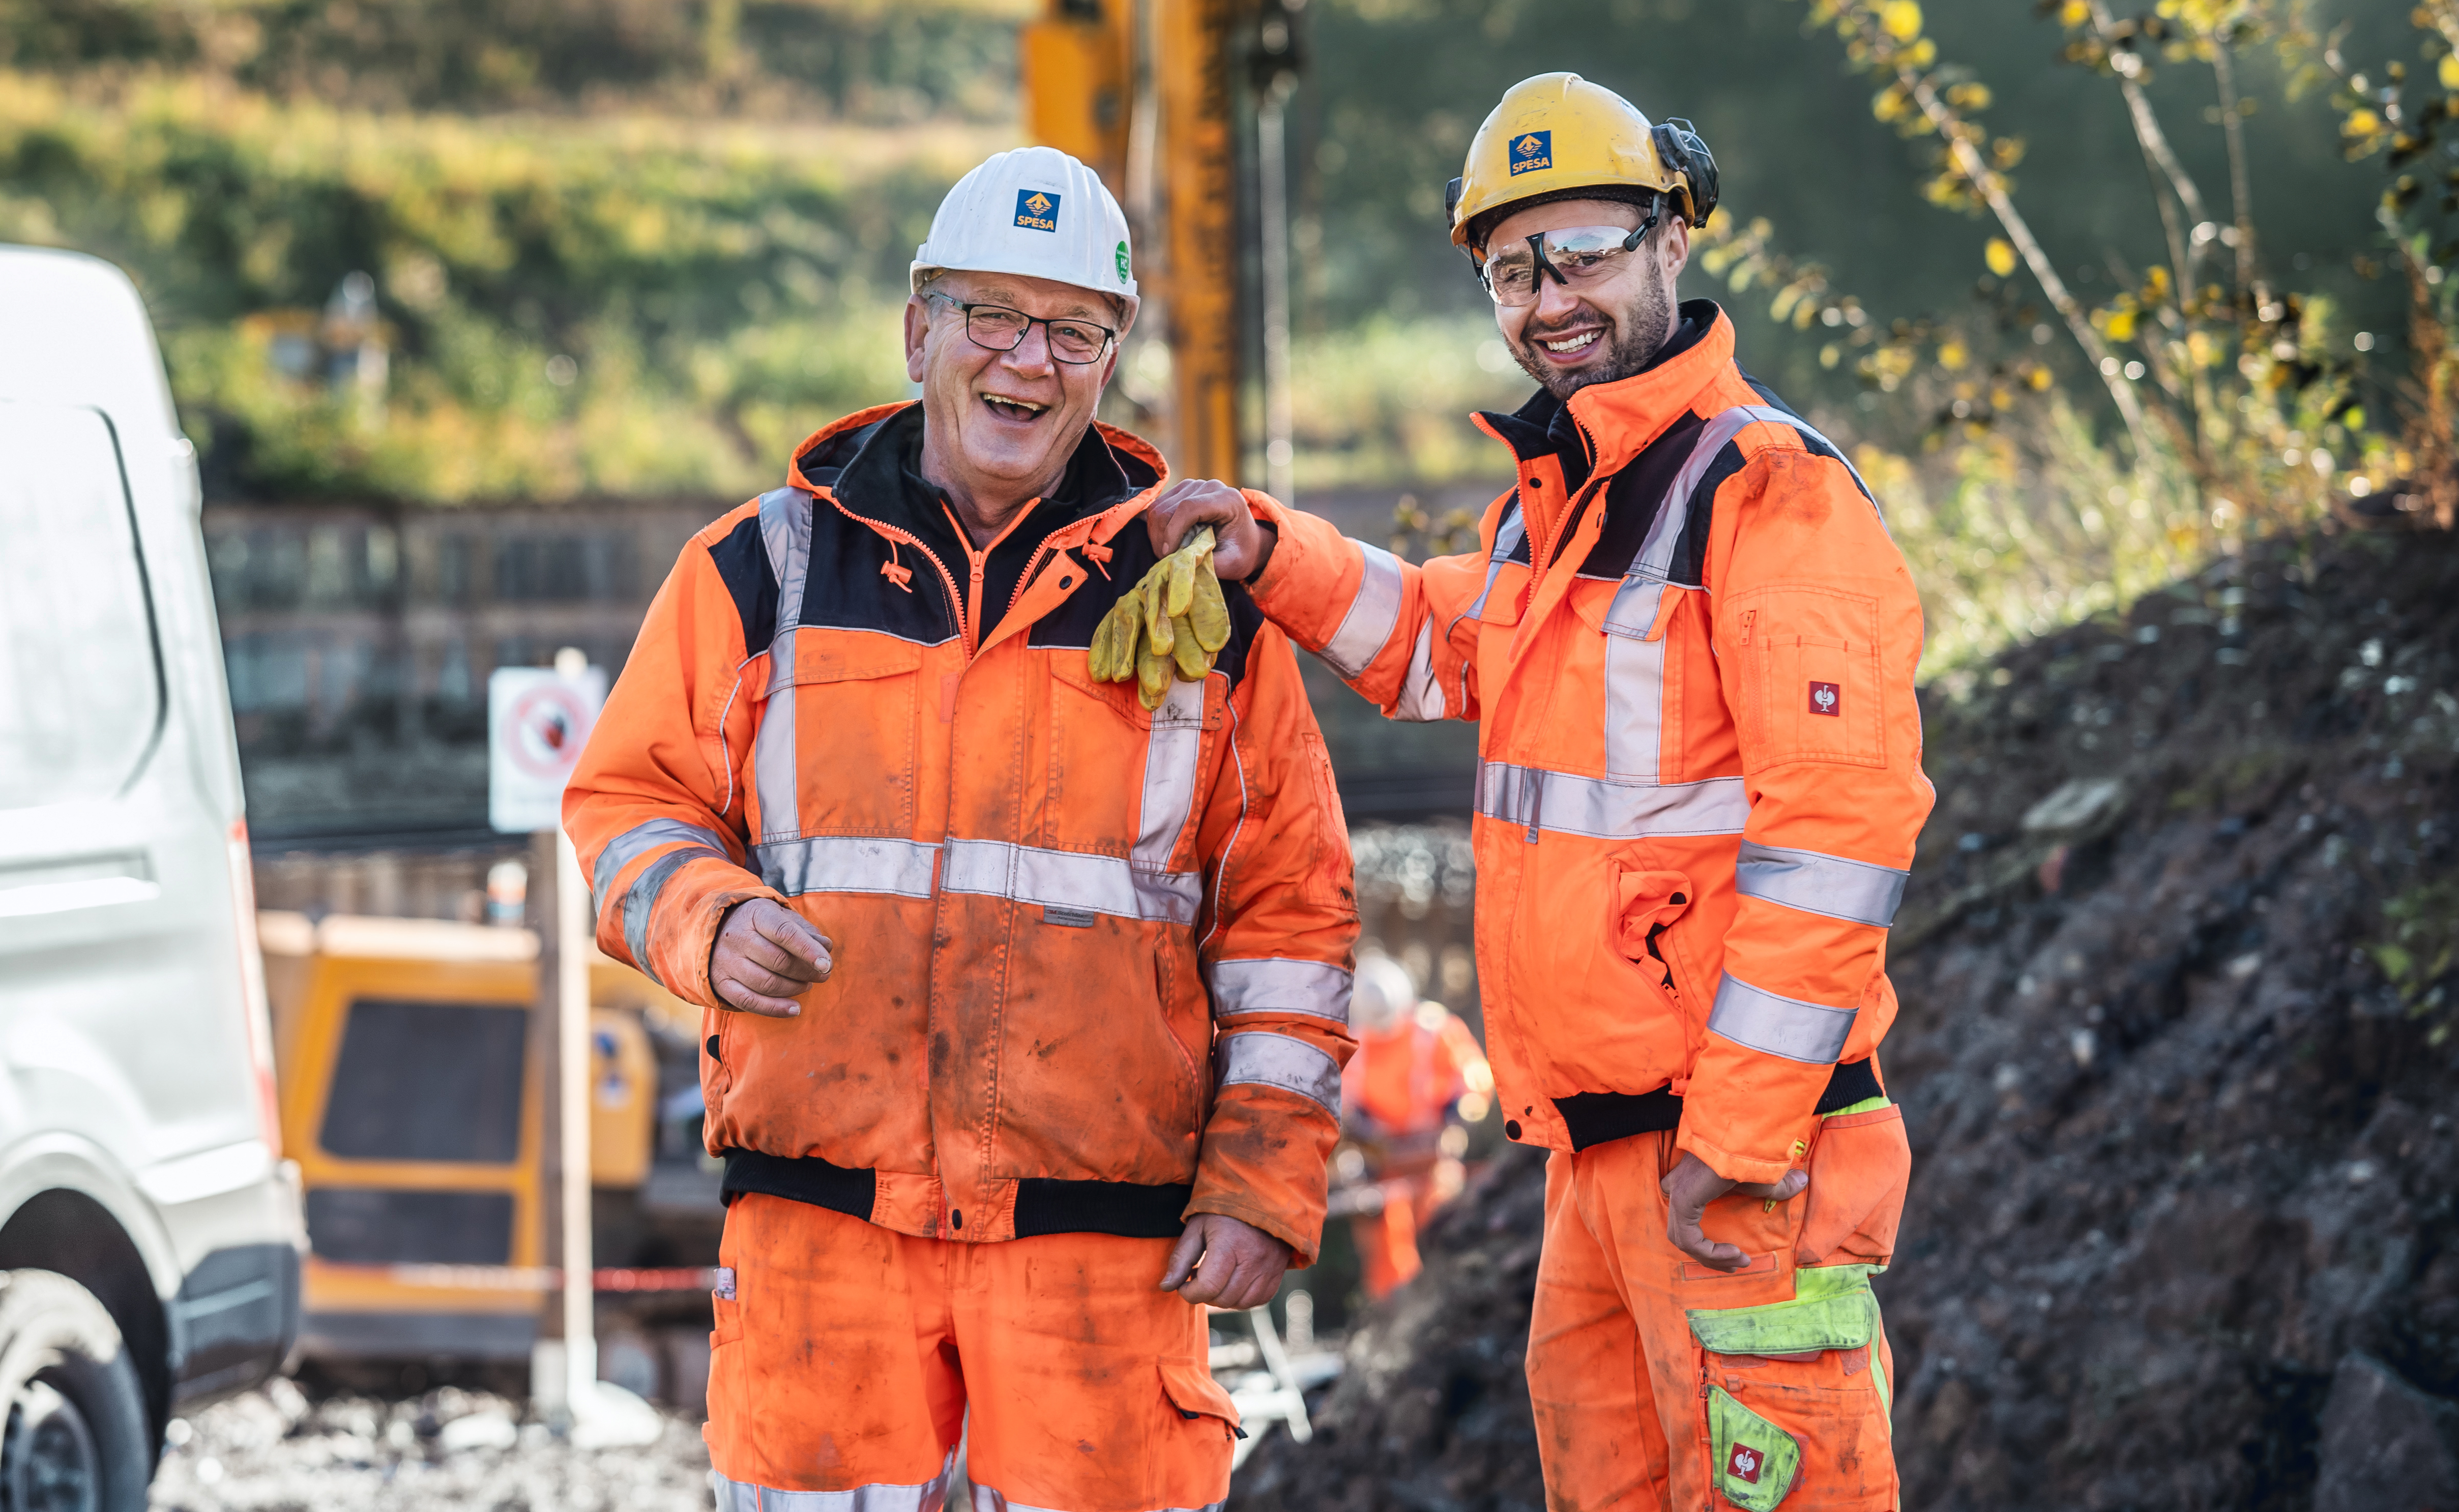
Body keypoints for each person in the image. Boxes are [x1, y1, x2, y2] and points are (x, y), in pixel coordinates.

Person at [1150, 73, 1927, 1510]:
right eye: (1513, 268)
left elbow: (1840, 838)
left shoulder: (1769, 493)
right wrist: (1268, 549)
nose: (1547, 297)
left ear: (1673, 242)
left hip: (1736, 1159)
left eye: (1582, 253)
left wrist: (1741, 1138)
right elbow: (1451, 644)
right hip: (1593, 1164)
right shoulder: (1558, 509)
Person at [565, 144, 1359, 1512]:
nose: (1028, 361)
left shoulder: (1196, 610)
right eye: (993, 316)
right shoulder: (763, 572)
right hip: (826, 1242)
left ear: (1111, 359)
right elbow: (631, 807)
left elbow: (1288, 916)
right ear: (920, 326)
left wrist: (1260, 1182)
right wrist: (710, 918)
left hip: (1101, 1265)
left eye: (1073, 330)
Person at [1335, 953, 1490, 1297]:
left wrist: (1457, 1117)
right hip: (1385, 1163)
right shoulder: (1358, 1040)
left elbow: (1475, 1083)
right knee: (1389, 1250)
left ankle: (1451, 1305)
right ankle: (1391, 1320)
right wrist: (1362, 1130)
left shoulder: (1436, 1031)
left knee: (1444, 1233)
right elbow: (1347, 1101)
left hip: (1434, 1160)